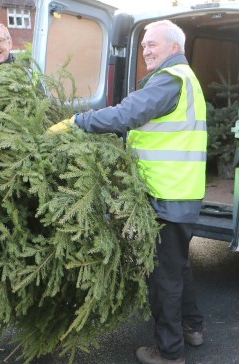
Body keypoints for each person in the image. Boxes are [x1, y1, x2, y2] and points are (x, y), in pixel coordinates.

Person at [49, 19, 206, 364]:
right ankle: (193, 327)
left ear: (174, 47)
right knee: (177, 268)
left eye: (153, 44)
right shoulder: (185, 79)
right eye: (145, 44)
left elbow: (126, 114)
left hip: (167, 195)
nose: (146, 50)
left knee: (163, 277)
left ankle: (169, 353)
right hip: (181, 191)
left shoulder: (170, 80)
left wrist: (78, 122)